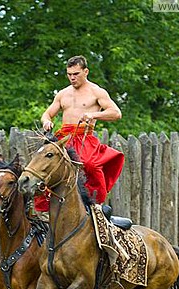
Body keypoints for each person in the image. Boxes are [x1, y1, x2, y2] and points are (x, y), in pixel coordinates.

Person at [34, 55, 124, 218]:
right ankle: (43, 208)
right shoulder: (62, 94)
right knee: (43, 164)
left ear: (86, 71)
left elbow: (116, 113)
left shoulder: (97, 91)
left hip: (83, 137)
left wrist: (93, 115)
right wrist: (46, 121)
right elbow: (47, 113)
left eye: (76, 74)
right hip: (63, 138)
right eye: (69, 74)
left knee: (90, 165)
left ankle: (95, 204)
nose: (72, 77)